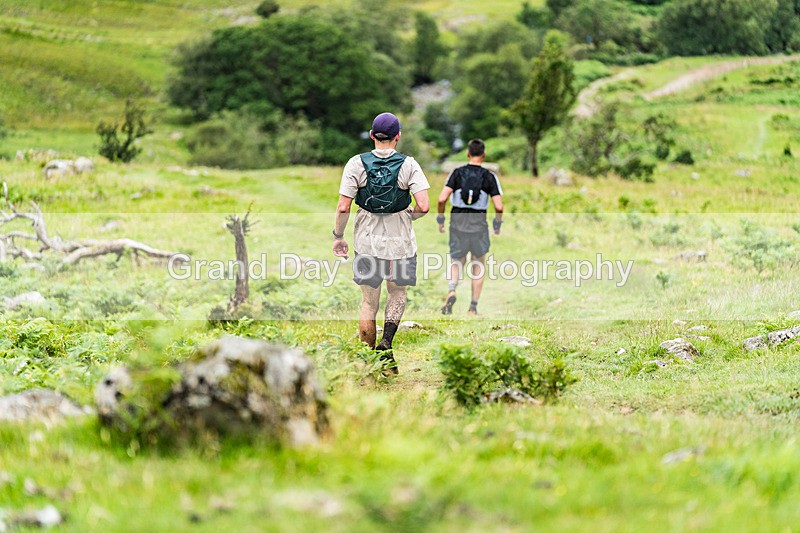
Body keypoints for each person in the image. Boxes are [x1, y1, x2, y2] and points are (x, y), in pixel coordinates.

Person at [333, 112, 430, 374]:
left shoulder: (355, 163)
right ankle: (386, 342)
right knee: (397, 293)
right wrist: (409, 215)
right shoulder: (409, 164)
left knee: (368, 302)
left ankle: (368, 363)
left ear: (372, 136)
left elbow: (343, 206)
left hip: (366, 241)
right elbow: (424, 205)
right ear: (398, 136)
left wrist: (338, 236)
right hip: (401, 242)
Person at [436, 139, 503, 315]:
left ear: (467, 153)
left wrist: (441, 219)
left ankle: (452, 290)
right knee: (478, 264)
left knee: (457, 260)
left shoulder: (456, 173)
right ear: (484, 154)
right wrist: (497, 224)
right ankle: (472, 308)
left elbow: (442, 199)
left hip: (458, 222)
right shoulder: (489, 176)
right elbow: (499, 206)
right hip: (478, 224)